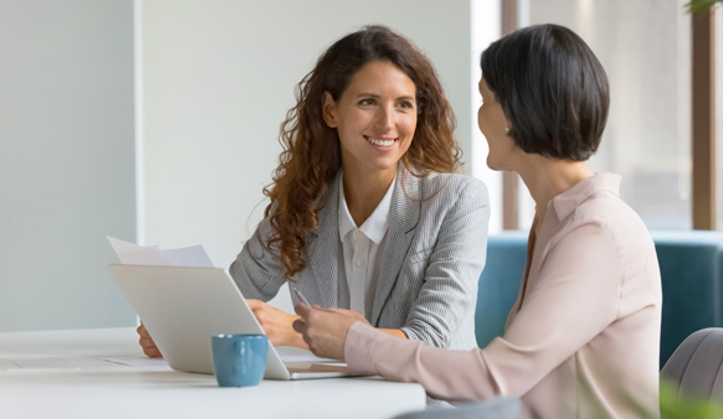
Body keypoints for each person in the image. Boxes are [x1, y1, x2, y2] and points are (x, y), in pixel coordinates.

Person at [293, 24, 662, 419]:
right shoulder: (558, 218)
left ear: (517, 114)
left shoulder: (598, 231)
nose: (479, 114)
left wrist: (355, 341)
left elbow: (495, 379)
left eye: (486, 99)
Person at [136, 25, 489, 368]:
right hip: (331, 403)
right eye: (368, 102)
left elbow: (429, 344)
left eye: (403, 105)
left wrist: (294, 331)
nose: (387, 123)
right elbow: (238, 299)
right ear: (330, 110)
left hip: (430, 407)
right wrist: (181, 328)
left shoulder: (458, 201)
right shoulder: (301, 204)